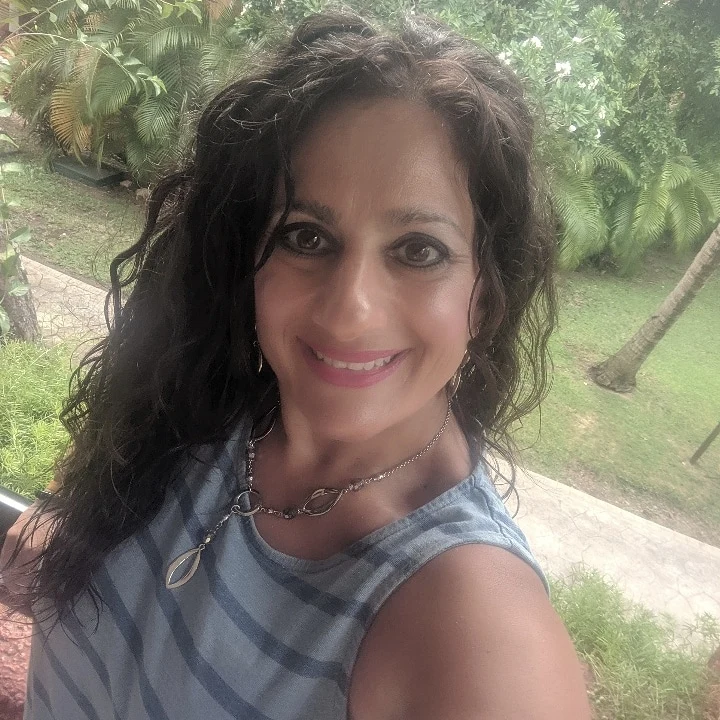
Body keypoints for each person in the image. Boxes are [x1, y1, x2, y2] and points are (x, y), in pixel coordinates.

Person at [1, 11, 592, 720]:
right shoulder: (194, 395)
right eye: (305, 236)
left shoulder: (476, 630)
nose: (349, 312)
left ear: (487, 293)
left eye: (419, 250)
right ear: (244, 251)